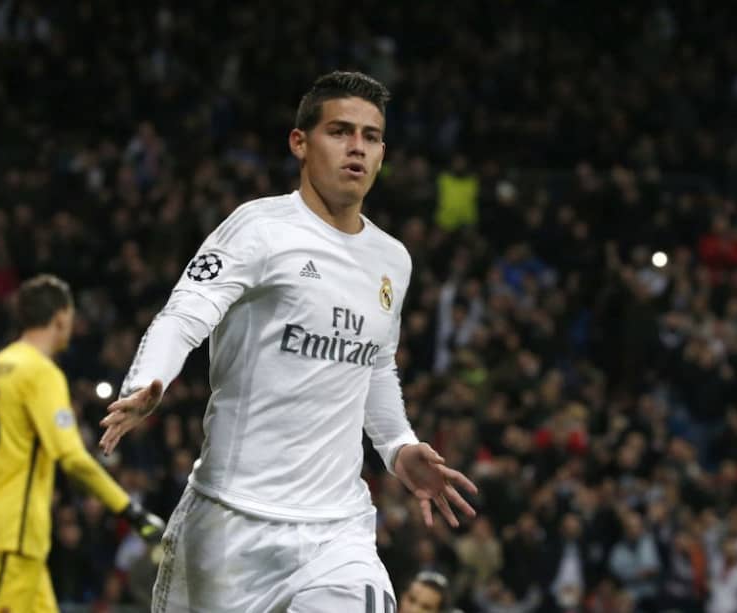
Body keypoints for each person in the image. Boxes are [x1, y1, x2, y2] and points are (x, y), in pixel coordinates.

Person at [99, 70, 478, 612]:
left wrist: (397, 445)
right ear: (300, 142)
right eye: (340, 131)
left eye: (370, 137)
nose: (357, 147)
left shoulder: (392, 259)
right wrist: (147, 381)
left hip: (338, 530)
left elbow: (374, 364)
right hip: (230, 524)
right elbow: (184, 313)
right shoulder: (259, 229)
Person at [0, 274, 164, 612]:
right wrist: (132, 511)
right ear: (61, 317)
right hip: (12, 539)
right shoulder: (41, 372)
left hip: (3, 535)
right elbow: (71, 457)